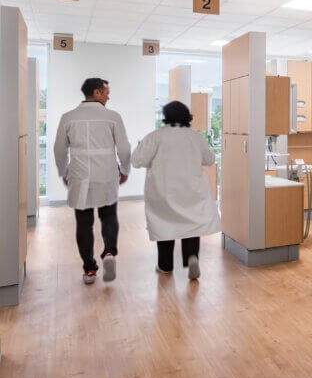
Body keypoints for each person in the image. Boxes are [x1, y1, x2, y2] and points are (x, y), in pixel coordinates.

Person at [131, 100, 220, 280]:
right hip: (192, 191)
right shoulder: (196, 136)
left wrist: (142, 148)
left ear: (166, 117)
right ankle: (192, 257)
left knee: (165, 225)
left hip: (163, 191)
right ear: (187, 116)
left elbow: (137, 161)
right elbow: (209, 159)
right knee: (192, 225)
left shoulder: (155, 136)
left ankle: (165, 265)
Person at [54, 78, 131, 284]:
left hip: (79, 176)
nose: (108, 96)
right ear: (96, 92)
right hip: (106, 174)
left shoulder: (67, 117)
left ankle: (89, 269)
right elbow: (124, 148)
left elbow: (59, 150)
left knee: (83, 223)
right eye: (106, 92)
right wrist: (124, 169)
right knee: (109, 216)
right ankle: (108, 253)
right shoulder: (113, 117)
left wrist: (63, 172)